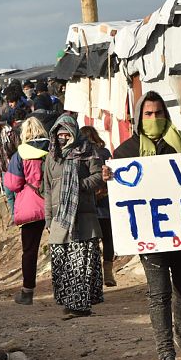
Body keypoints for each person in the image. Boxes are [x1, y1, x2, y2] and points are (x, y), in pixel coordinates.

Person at [103, 91, 181, 360]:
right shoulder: (126, 152)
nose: (154, 118)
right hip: (150, 236)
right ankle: (165, 350)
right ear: (140, 118)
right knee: (159, 293)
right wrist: (109, 176)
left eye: (158, 113)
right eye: (148, 114)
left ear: (166, 114)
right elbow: (118, 190)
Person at [44, 114, 105, 318]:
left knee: (81, 263)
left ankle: (79, 306)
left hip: (84, 217)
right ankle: (70, 303)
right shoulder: (51, 157)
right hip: (60, 218)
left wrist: (79, 186)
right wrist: (48, 218)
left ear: (74, 132)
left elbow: (98, 177)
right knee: (62, 263)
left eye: (66, 132)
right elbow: (47, 188)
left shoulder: (89, 151)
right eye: (59, 133)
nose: (63, 137)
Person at [4, 117, 49, 305]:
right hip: (53, 202)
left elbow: (13, 184)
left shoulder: (20, 155)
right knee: (60, 246)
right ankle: (67, 287)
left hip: (31, 206)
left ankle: (27, 291)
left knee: (29, 250)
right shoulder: (52, 150)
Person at [80, 125, 117, 287]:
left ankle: (94, 276)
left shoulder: (81, 155)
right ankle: (108, 273)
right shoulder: (105, 152)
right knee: (108, 238)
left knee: (93, 240)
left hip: (90, 203)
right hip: (106, 202)